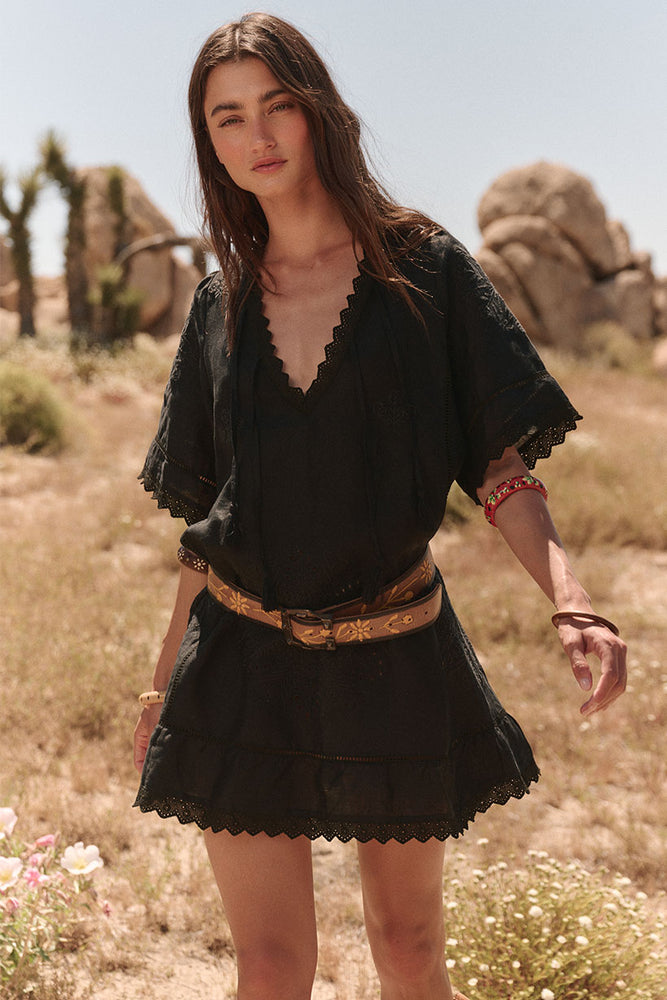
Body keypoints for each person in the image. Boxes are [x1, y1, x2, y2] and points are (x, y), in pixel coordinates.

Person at [133, 13, 627, 1000]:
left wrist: (572, 600)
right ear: (209, 143)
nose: (257, 135)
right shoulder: (216, 306)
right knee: (270, 967)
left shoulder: (424, 271)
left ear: (318, 111)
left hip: (394, 651)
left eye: (277, 105)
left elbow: (499, 468)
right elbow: (211, 528)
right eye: (228, 118)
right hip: (241, 660)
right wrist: (158, 695)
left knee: (407, 950)